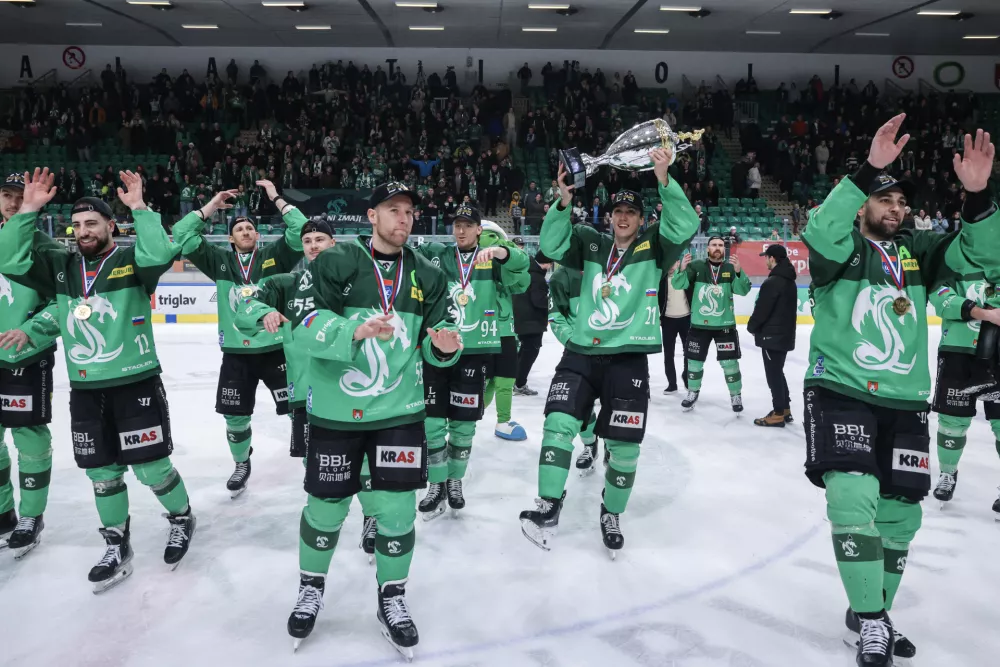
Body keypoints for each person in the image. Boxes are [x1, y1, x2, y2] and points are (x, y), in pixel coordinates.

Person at [801, 116, 999, 666]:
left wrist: (978, 197)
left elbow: (984, 257)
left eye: (901, 202)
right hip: (841, 388)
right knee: (851, 497)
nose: (895, 208)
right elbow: (820, 228)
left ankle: (872, 611)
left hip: (905, 399)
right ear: (862, 204)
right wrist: (869, 169)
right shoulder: (839, 248)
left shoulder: (919, 251)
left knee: (900, 519)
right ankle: (872, 622)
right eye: (884, 199)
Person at [282, 181, 463, 657]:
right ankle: (311, 587)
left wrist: (445, 347)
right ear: (371, 216)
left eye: (409, 211)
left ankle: (392, 597)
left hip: (399, 413)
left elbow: (438, 336)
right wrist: (353, 330)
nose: (403, 218)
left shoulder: (429, 272)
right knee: (325, 508)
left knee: (398, 510)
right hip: (336, 413)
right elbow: (303, 322)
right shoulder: (335, 261)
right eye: (393, 209)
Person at [0, 168, 197, 593]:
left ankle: (181, 517)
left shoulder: (132, 262)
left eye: (92, 223)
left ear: (111, 225)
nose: (83, 231)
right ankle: (115, 543)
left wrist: (140, 208)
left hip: (134, 382)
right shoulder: (61, 266)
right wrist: (28, 211)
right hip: (87, 389)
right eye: (77, 224)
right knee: (101, 472)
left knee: (151, 467)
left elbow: (159, 253)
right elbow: (10, 261)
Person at [520, 149, 699, 557]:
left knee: (625, 447)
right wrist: (564, 200)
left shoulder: (657, 245)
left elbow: (686, 224)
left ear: (641, 219)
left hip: (628, 356)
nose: (623, 217)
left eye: (631, 213)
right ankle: (548, 505)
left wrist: (664, 179)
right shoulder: (590, 242)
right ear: (609, 215)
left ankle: (611, 512)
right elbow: (550, 244)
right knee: (558, 423)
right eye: (618, 211)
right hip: (582, 351)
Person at [172, 179, 306, 498]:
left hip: (276, 349)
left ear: (257, 235)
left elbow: (301, 228)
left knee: (298, 410)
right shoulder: (217, 261)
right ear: (230, 238)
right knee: (235, 416)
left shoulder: (275, 256)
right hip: (236, 353)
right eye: (239, 229)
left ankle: (310, 463)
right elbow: (181, 234)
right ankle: (241, 463)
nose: (245, 232)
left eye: (250, 228)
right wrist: (211, 206)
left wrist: (275, 197)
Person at [413, 204, 529, 518]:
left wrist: (503, 253)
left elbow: (522, 273)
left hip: (475, 351)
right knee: (432, 423)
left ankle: (455, 481)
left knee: (463, 426)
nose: (461, 230)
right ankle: (436, 483)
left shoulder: (492, 259)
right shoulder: (439, 254)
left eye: (468, 225)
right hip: (437, 347)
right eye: (457, 225)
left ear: (479, 229)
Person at [0, 173, 59, 558]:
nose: (12, 202)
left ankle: (31, 517)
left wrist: (32, 329)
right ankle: (3, 512)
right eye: (6, 195)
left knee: (30, 439)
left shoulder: (47, 249)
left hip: (26, 356)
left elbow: (65, 303)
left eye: (20, 196)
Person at [927, 275, 1000, 513]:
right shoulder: (952, 258)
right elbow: (941, 298)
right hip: (957, 349)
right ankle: (947, 474)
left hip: (998, 351)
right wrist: (983, 312)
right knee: (952, 420)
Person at [672, 236, 751, 412]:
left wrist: (739, 272)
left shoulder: (730, 268)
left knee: (730, 363)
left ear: (724, 249)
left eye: (720, 245)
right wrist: (681, 270)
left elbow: (743, 290)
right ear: (708, 248)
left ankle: (736, 395)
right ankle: (692, 392)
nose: (717, 248)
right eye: (714, 245)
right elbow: (678, 285)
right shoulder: (696, 266)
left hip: (725, 325)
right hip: (699, 325)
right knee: (694, 362)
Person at [547, 265, 605, 476]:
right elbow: (555, 316)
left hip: (617, 349)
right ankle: (590, 444)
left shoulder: (614, 266)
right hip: (579, 353)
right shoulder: (561, 276)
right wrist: (573, 341)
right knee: (579, 403)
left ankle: (613, 447)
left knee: (616, 405)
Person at [479, 221, 531, 441]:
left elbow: (522, 281)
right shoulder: (501, 250)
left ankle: (478, 416)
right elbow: (522, 281)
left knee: (492, 381)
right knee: (499, 380)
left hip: (493, 330)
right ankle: (499, 420)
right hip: (495, 330)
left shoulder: (496, 256)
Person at [747, 244, 797, 426]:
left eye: (766, 257)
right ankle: (785, 408)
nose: (765, 261)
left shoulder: (773, 282)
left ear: (772, 258)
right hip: (783, 335)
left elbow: (762, 310)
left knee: (773, 375)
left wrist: (751, 326)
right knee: (778, 372)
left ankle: (778, 413)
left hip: (772, 337)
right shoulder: (789, 280)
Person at [513, 245, 551, 396]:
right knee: (529, 353)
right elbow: (538, 300)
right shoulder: (537, 277)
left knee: (524, 352)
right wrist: (551, 302)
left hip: (524, 320)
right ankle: (519, 383)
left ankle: (516, 381)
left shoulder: (527, 272)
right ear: (546, 263)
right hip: (532, 322)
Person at [659, 256, 691, 394]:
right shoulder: (661, 280)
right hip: (668, 320)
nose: (670, 266)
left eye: (673, 263)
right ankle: (672, 384)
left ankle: (687, 377)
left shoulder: (686, 276)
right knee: (668, 354)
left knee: (688, 352)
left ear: (678, 263)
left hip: (686, 319)